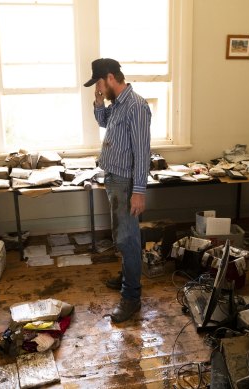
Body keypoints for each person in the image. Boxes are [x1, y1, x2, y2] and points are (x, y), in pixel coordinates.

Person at [84, 58, 151, 323]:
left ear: (110, 78)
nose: (98, 87)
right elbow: (103, 123)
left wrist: (139, 192)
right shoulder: (117, 105)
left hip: (125, 184)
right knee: (120, 235)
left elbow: (143, 153)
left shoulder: (136, 106)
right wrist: (99, 101)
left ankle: (131, 297)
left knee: (128, 239)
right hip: (113, 179)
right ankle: (126, 275)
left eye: (99, 83)